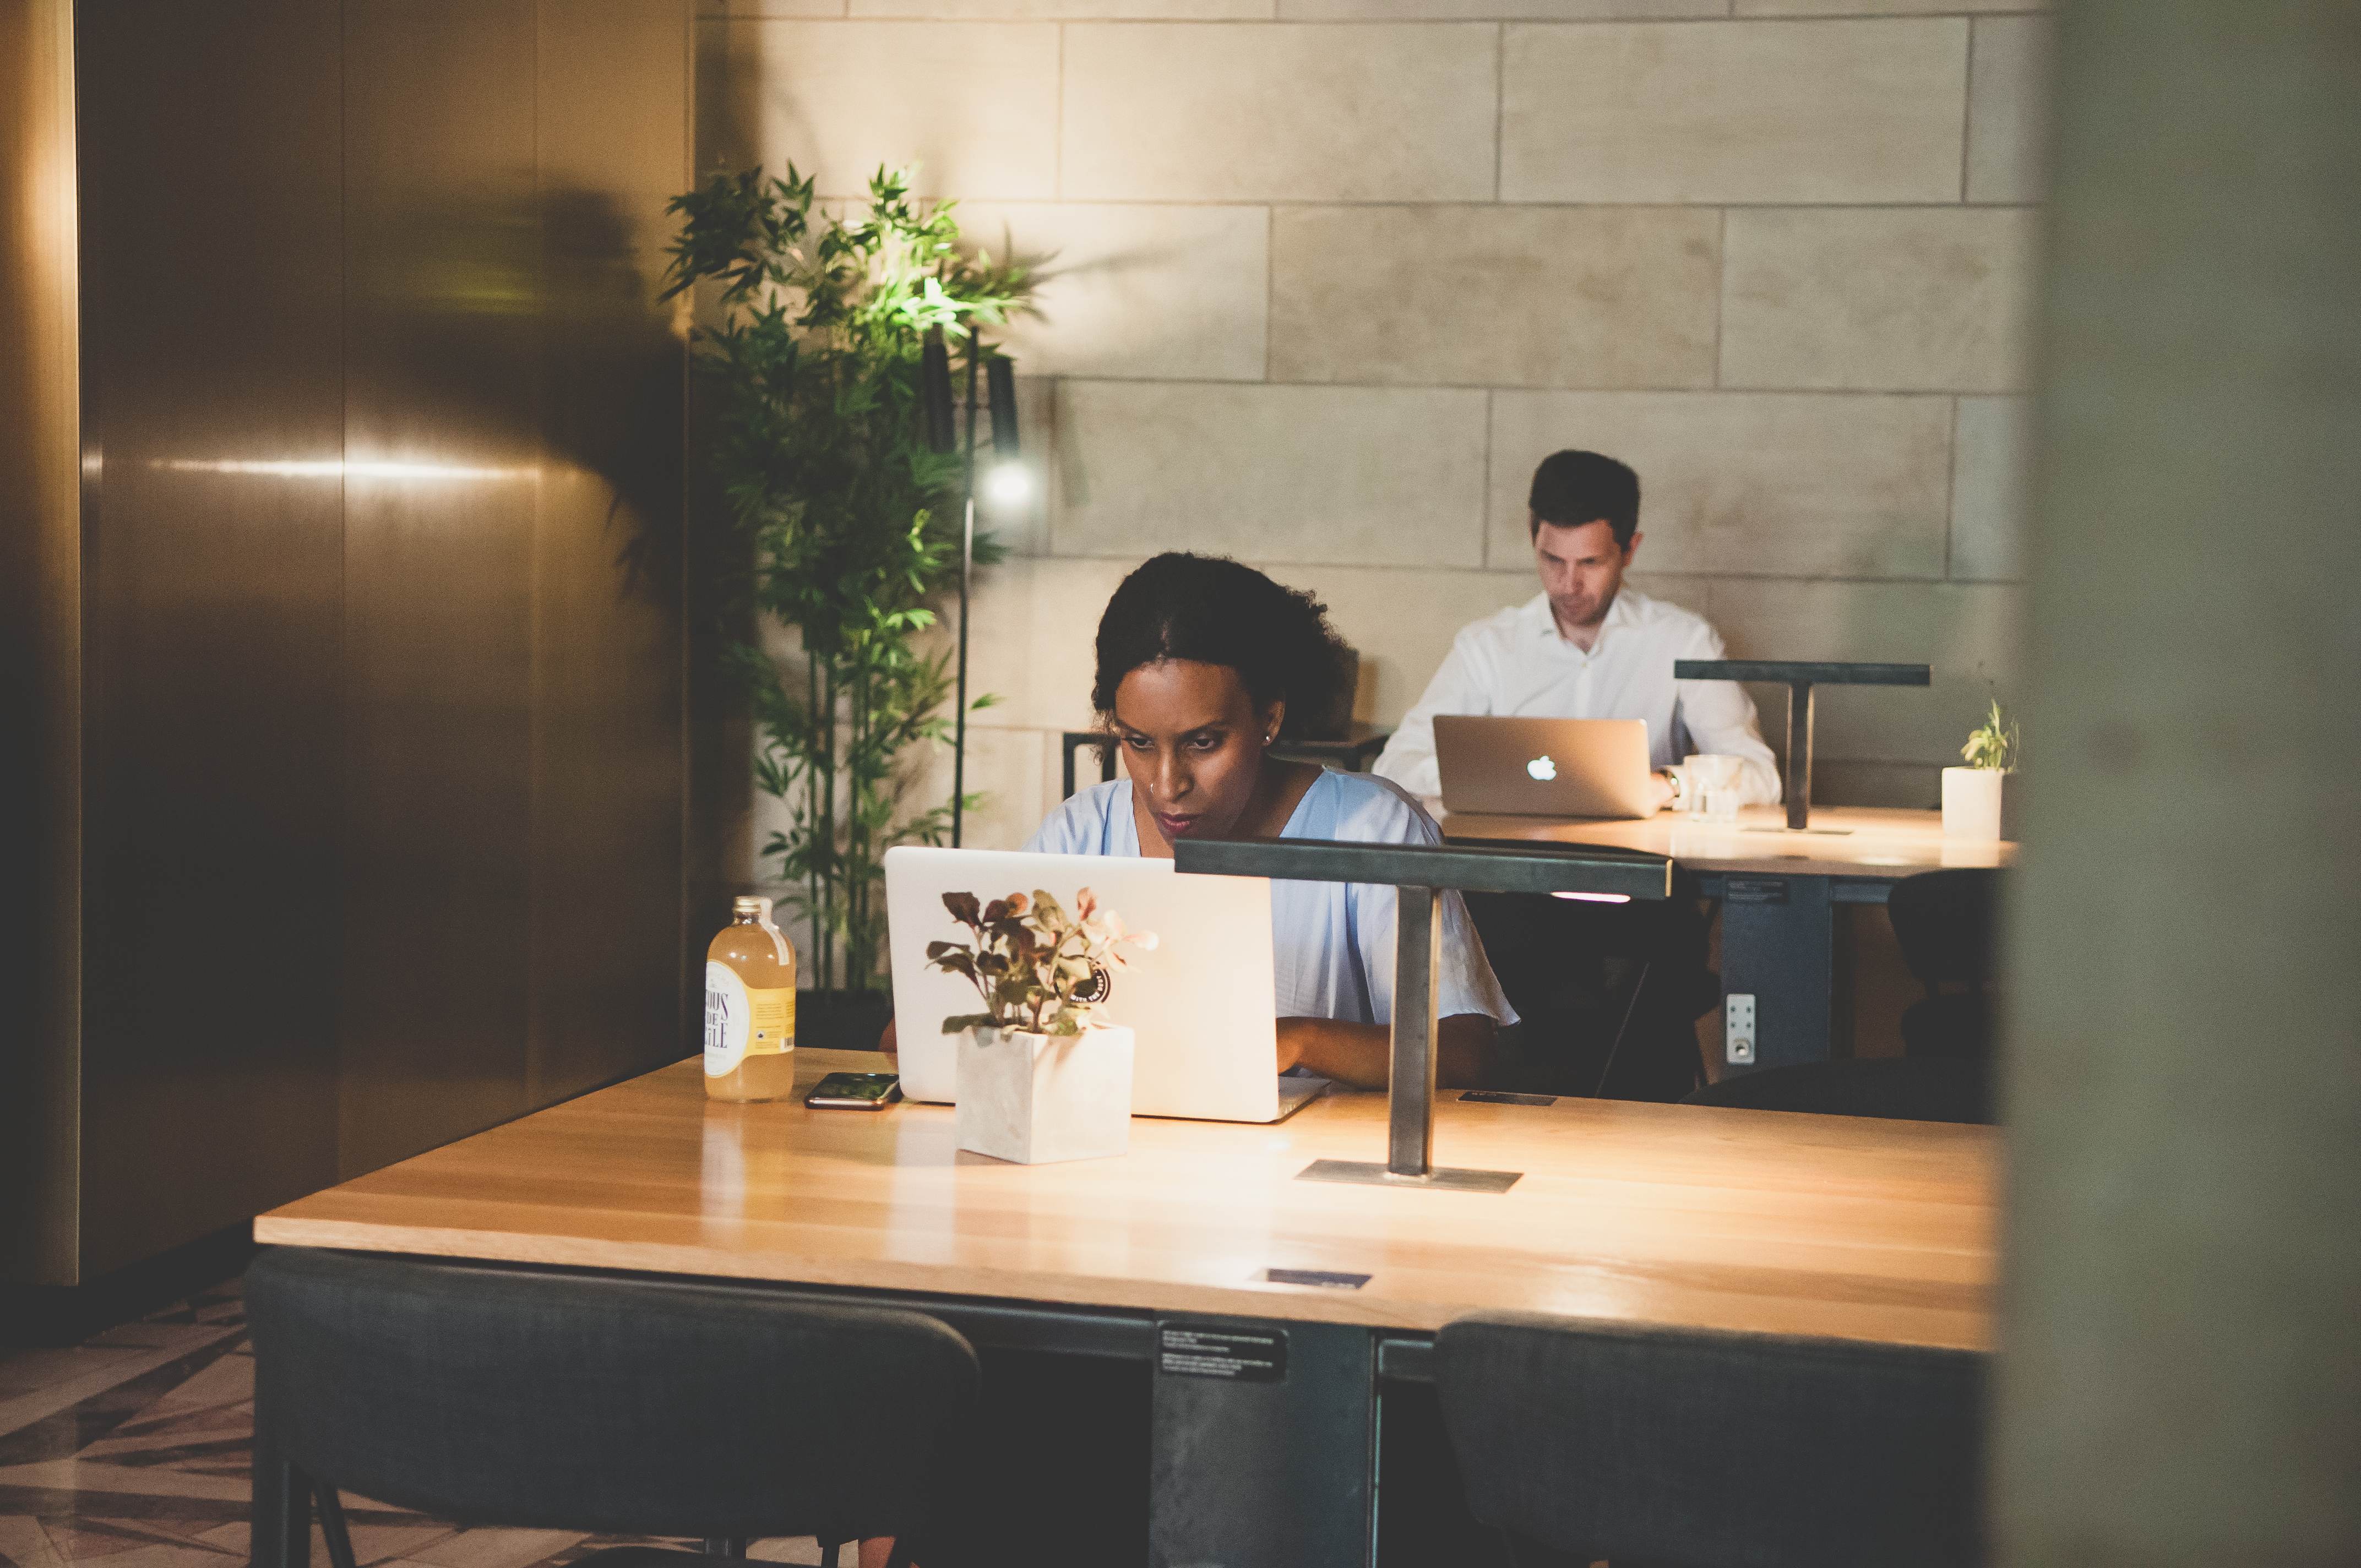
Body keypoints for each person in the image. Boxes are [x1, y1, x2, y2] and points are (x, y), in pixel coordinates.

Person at [1027, 551, 1515, 1088]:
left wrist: (1298, 1040)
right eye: (1138, 743)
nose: (1166, 786)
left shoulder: (1372, 828)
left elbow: (1465, 1053)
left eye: (1203, 743)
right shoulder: (1075, 835)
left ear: (1269, 718)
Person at [1372, 449, 1779, 807]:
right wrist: (1494, 781)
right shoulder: (1487, 646)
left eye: (1590, 563)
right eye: (1552, 560)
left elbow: (1760, 774)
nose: (1568, 585)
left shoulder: (1684, 640)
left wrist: (1669, 784)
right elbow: (1395, 765)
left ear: (1630, 550)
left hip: (1639, 875)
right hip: (1507, 874)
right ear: (1533, 539)